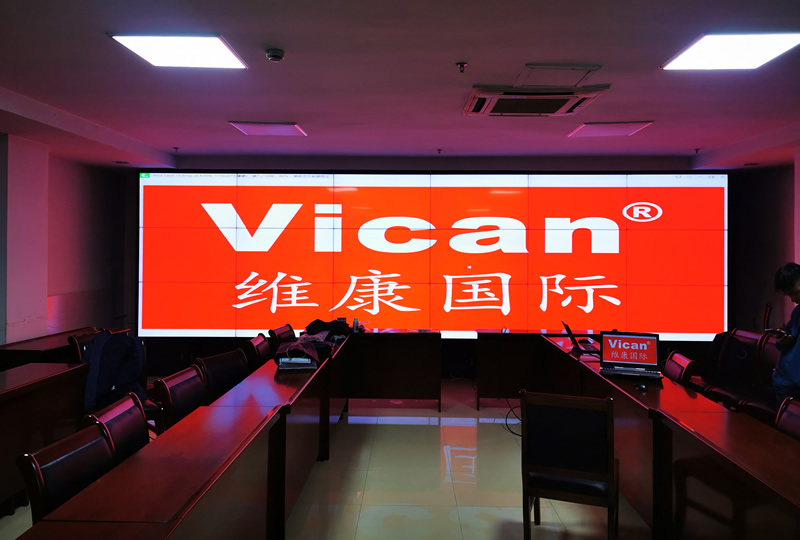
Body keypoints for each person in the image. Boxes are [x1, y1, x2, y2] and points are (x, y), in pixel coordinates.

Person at [772, 262, 800, 407]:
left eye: (795, 293)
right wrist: (782, 340)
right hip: (786, 384)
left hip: (792, 384)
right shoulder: (797, 312)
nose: (793, 300)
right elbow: (785, 341)